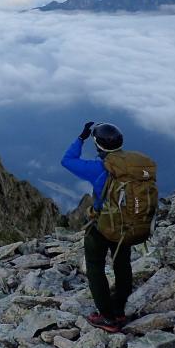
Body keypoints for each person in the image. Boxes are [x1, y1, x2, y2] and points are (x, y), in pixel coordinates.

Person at [61, 121, 131, 333]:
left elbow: (67, 160)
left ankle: (108, 318)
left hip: (103, 225)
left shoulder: (98, 168)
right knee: (122, 265)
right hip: (127, 225)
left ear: (98, 146)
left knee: (95, 266)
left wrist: (80, 138)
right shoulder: (133, 164)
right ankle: (119, 309)